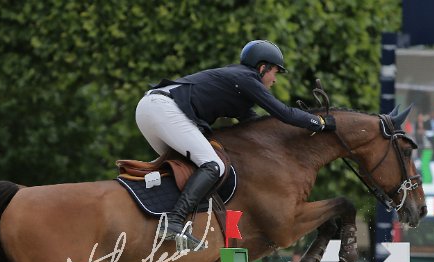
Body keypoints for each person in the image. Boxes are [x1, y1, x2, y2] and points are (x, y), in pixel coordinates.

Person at [136, 40, 334, 250]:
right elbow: (284, 113)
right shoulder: (247, 79)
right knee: (213, 164)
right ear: (262, 67)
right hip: (164, 110)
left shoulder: (237, 83)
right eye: (275, 72)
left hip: (151, 109)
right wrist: (320, 122)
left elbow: (257, 126)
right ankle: (174, 222)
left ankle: (153, 216)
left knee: (185, 170)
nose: (275, 79)